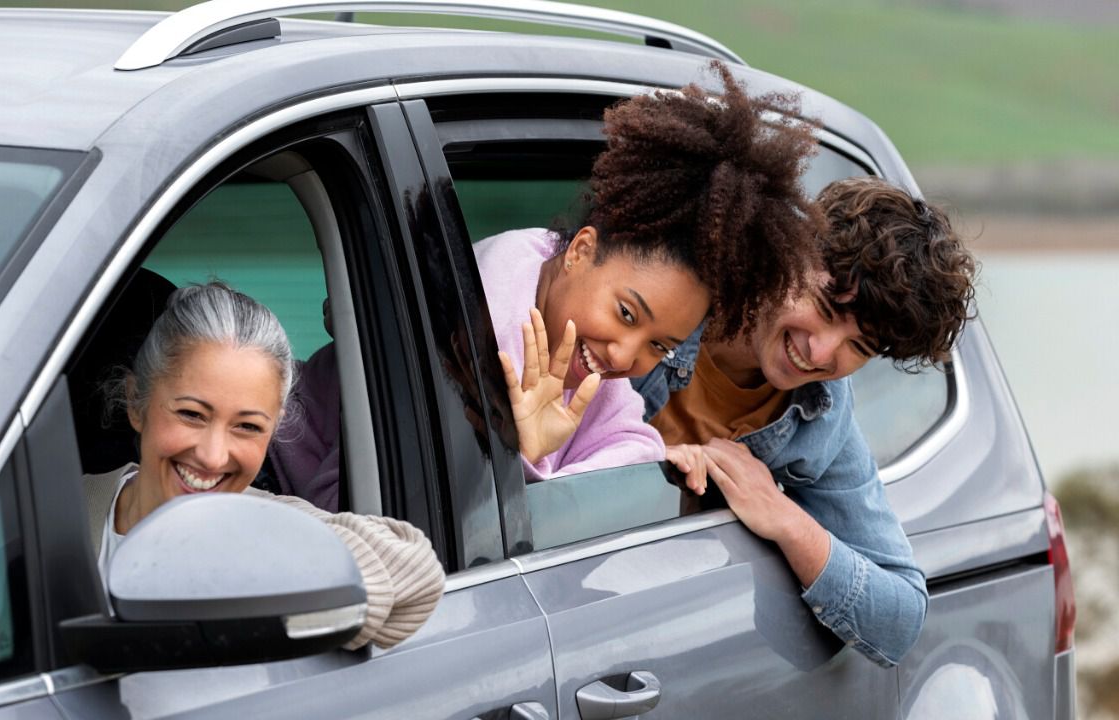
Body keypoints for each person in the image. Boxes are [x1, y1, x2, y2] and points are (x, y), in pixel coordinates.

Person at [643, 176, 979, 667]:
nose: (820, 352)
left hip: (660, 644)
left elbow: (901, 617)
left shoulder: (821, 416)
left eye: (858, 347)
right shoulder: (659, 288)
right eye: (825, 308)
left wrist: (785, 520)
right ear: (793, 249)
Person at [481, 61, 823, 479]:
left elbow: (635, 444)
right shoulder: (487, 322)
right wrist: (528, 458)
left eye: (660, 347)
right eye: (626, 313)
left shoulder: (569, 331)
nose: (625, 357)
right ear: (581, 250)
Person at [85, 282, 444, 651]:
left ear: (275, 428)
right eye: (191, 415)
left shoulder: (269, 522)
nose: (212, 456)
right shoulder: (57, 507)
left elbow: (416, 573)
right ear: (135, 403)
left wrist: (268, 555)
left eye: (248, 427)